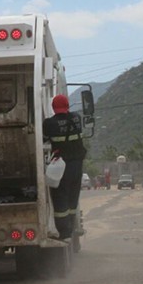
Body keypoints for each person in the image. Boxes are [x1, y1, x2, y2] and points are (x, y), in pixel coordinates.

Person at [43, 94, 87, 240]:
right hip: (77, 165)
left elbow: (44, 139)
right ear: (67, 105)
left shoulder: (50, 123)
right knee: (73, 198)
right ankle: (72, 227)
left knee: (60, 196)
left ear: (53, 108)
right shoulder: (77, 118)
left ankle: (64, 232)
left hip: (61, 167)